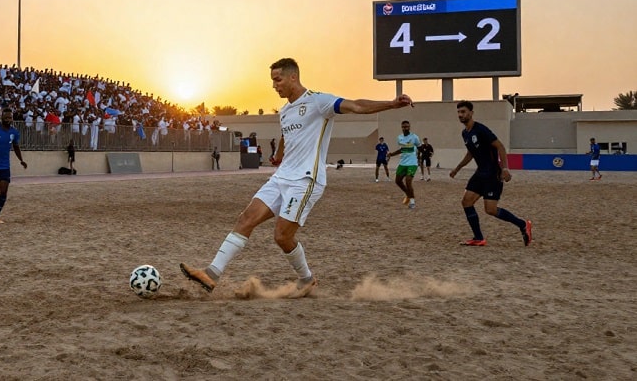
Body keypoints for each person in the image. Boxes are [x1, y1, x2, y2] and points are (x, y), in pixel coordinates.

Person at [179, 58, 413, 296]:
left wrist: (391, 104)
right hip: (281, 177)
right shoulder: (285, 111)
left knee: (281, 236)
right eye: (272, 81)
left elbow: (356, 105)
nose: (274, 86)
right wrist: (279, 155)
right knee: (245, 218)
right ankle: (211, 273)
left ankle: (307, 279)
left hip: (306, 180)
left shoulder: (318, 101)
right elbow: (285, 135)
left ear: (293, 77)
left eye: (277, 79)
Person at [449, 101, 532, 247]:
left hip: (493, 173)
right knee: (466, 201)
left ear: (471, 113)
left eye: (463, 112)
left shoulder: (481, 129)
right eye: (459, 112)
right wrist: (457, 168)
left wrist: (505, 169)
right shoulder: (465, 133)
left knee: (490, 210)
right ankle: (478, 238)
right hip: (480, 173)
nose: (460, 115)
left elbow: (500, 146)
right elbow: (471, 153)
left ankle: (523, 224)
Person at [388, 121, 421, 210]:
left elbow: (419, 148)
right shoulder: (399, 138)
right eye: (403, 127)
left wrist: (419, 159)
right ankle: (408, 193)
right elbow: (402, 149)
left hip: (412, 163)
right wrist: (392, 154)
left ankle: (412, 201)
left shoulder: (414, 137)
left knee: (408, 180)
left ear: (409, 127)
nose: (405, 128)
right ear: (401, 127)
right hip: (403, 162)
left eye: (406, 127)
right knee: (398, 181)